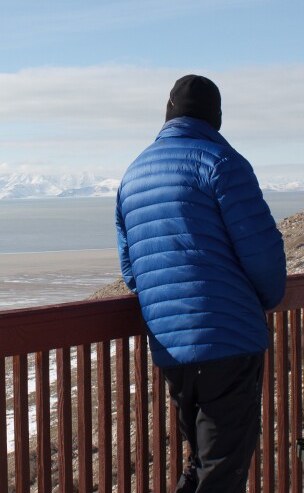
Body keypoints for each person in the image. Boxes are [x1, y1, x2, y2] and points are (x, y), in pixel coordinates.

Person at [115, 74, 286, 492]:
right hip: (229, 339)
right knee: (223, 468)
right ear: (216, 117)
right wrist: (265, 299)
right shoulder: (220, 162)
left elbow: (132, 271)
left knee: (203, 462)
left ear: (169, 114)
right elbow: (262, 253)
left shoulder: (132, 175)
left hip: (171, 346)